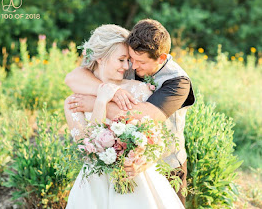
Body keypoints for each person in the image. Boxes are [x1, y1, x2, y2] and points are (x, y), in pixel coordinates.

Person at [65, 19, 195, 206]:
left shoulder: (178, 82)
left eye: (138, 61)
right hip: (101, 179)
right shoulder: (125, 65)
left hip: (166, 165)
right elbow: (73, 77)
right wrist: (111, 91)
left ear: (160, 58)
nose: (131, 67)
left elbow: (144, 118)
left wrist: (97, 103)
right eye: (128, 59)